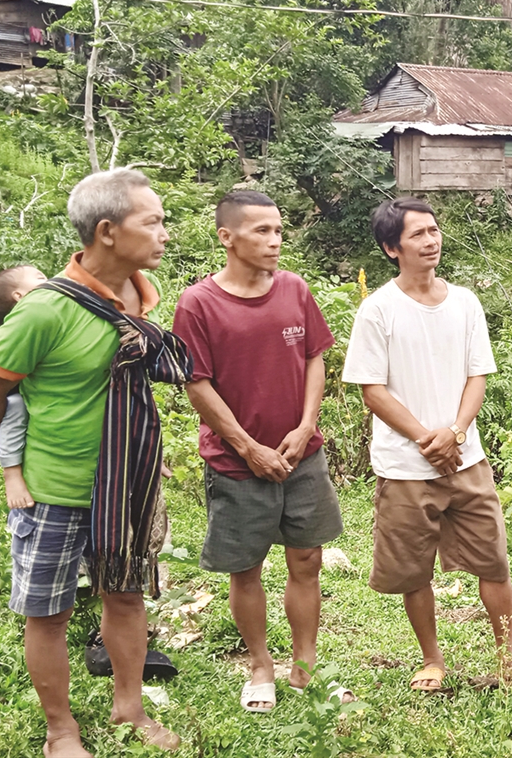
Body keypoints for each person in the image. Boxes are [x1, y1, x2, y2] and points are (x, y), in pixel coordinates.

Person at [0, 168, 187, 756]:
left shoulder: (140, 293)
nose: (166, 233)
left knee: (126, 596)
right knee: (49, 612)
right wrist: (22, 458)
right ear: (109, 231)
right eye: (155, 221)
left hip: (125, 487)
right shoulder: (43, 312)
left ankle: (129, 706)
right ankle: (60, 729)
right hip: (55, 490)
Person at [342, 198, 512, 694]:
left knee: (493, 561)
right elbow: (372, 389)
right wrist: (424, 438)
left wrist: (454, 432)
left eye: (434, 231)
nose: (431, 241)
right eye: (418, 235)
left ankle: (510, 659)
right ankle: (432, 660)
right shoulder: (378, 310)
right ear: (392, 248)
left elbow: (478, 374)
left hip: (466, 457)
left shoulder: (464, 302)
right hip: (405, 465)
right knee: (414, 569)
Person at [173, 190, 349, 714]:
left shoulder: (295, 289)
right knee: (245, 568)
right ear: (227, 237)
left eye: (278, 230)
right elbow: (197, 384)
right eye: (261, 232)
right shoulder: (198, 304)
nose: (275, 241)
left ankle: (306, 665)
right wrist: (248, 448)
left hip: (302, 456)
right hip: (236, 463)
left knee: (306, 558)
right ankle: (259, 666)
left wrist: (306, 425)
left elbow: (316, 357)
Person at [0, 265, 48, 510]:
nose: (49, 281)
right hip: (16, 392)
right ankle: (12, 473)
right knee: (16, 411)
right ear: (19, 297)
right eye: (40, 278)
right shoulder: (21, 326)